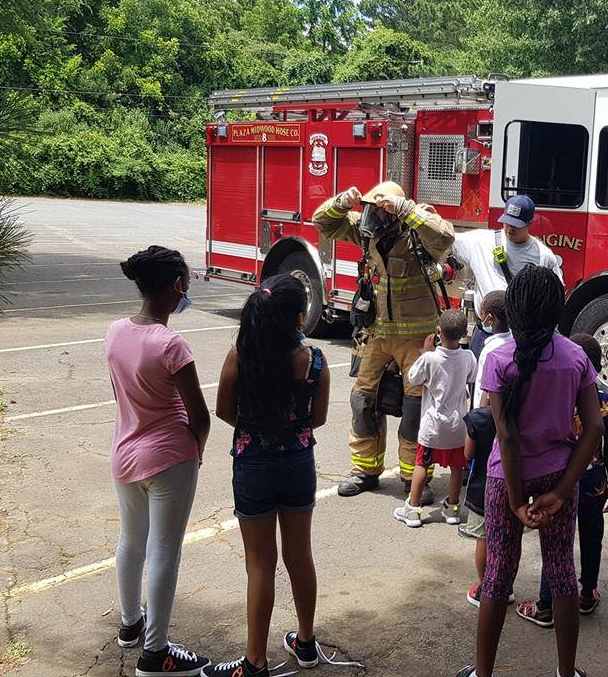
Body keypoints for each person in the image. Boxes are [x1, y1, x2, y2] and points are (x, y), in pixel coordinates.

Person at [454, 265, 604, 677]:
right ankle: (566, 671)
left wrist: (518, 500)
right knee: (562, 572)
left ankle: (483, 673)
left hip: (507, 483)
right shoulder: (575, 357)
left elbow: (506, 435)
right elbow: (593, 428)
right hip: (560, 476)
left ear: (514, 310)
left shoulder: (499, 359)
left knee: (498, 574)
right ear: (559, 309)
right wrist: (559, 491)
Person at [204, 275, 334, 677]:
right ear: (298, 318)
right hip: (298, 464)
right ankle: (307, 642)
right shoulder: (314, 360)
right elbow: (319, 418)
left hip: (253, 464)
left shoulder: (241, 355)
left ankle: (255, 660)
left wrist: (254, 429)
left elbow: (224, 409)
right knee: (300, 556)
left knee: (260, 563)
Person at [104, 246, 211, 677]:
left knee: (131, 541)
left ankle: (130, 625)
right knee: (164, 552)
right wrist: (196, 451)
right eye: (185, 281)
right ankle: (156, 653)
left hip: (124, 454)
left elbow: (120, 396)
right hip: (169, 457)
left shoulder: (114, 332)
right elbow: (199, 415)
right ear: (175, 286)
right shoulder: (171, 344)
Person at [312, 181, 455, 500]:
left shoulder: (418, 229)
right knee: (363, 402)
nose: (373, 217)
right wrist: (342, 202)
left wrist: (406, 209)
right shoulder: (366, 229)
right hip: (374, 334)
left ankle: (414, 476)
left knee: (416, 408)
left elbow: (445, 237)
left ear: (394, 211)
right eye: (370, 210)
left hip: (417, 339)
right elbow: (322, 222)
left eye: (381, 210)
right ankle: (365, 471)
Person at [516, 333, 608, 627]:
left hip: (560, 479)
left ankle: (546, 606)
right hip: (595, 482)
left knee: (556, 543)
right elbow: (607, 447)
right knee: (592, 537)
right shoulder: (607, 403)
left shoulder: (557, 397)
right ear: (597, 368)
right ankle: (587, 593)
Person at [394, 309, 478, 528]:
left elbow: (413, 377)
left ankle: (412, 509)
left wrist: (425, 352)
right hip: (457, 425)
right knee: (457, 467)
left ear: (438, 331)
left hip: (433, 425)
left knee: (422, 464)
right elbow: (472, 377)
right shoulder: (468, 357)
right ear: (464, 334)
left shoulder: (430, 358)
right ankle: (452, 508)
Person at [453, 195, 564, 353]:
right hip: (485, 334)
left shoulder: (543, 256)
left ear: (530, 224)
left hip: (520, 338)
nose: (510, 228)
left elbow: (554, 300)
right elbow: (446, 238)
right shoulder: (480, 241)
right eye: (507, 222)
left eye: (517, 225)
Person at [464, 290, 511, 606]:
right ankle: (503, 587)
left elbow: (484, 391)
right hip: (512, 450)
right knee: (505, 533)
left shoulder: (493, 346)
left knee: (483, 531)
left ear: (490, 318)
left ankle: (486, 589)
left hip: (489, 443)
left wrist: (479, 422)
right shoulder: (517, 343)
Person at [471, 291, 510, 406]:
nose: (480, 316)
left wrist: (479, 417)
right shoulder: (513, 341)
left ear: (489, 319)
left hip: (486, 415)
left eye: (481, 313)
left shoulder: (489, 351)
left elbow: (487, 389)